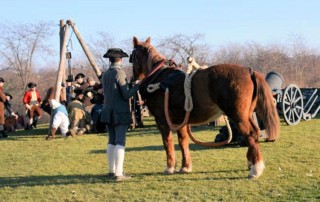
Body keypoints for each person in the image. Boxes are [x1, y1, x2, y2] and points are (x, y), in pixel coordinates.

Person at [101, 48, 140, 181]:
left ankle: (112, 171)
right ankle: (119, 173)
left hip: (107, 110)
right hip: (119, 112)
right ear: (120, 60)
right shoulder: (120, 73)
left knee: (111, 141)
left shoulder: (106, 73)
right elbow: (126, 95)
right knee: (120, 141)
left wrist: (130, 85)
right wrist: (137, 86)